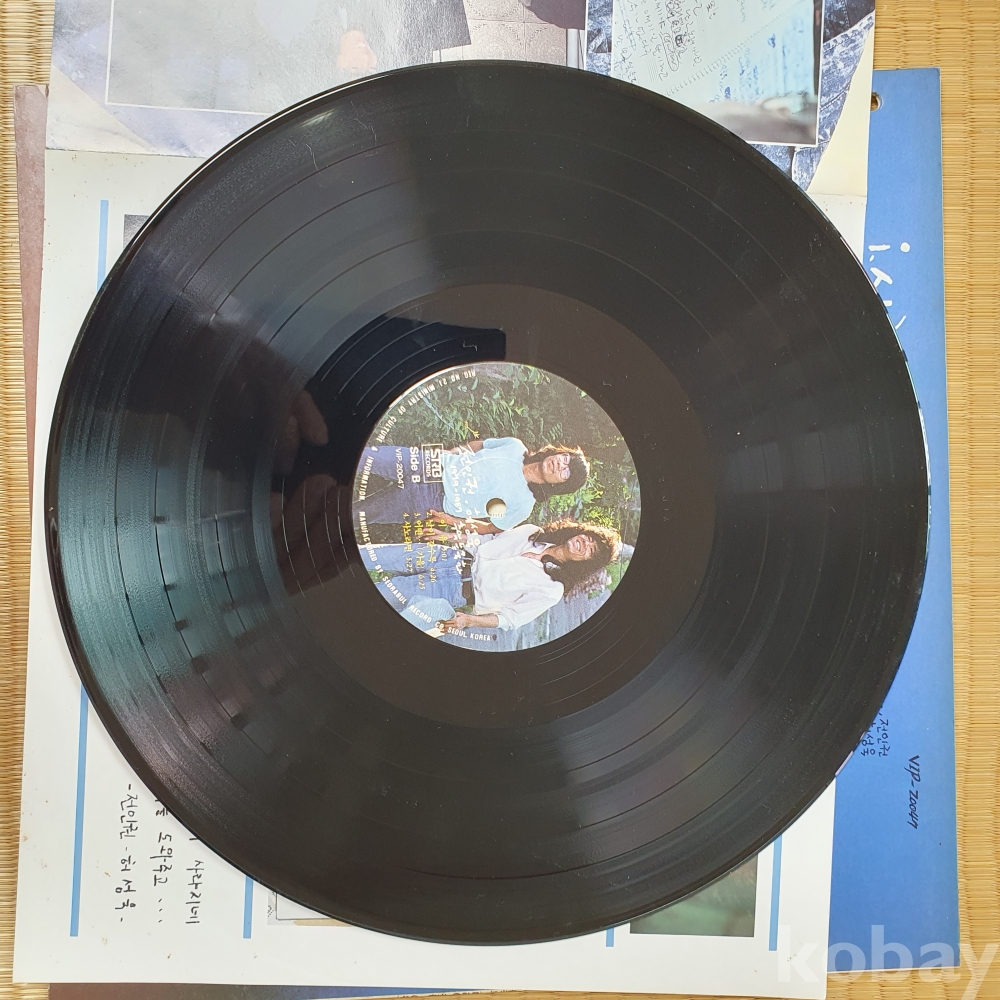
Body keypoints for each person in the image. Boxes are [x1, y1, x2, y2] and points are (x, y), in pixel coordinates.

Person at [365, 519, 621, 634]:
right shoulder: (534, 532)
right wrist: (449, 536)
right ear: (579, 532)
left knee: (377, 596)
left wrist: (469, 621)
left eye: (591, 550)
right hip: (448, 557)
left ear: (586, 563)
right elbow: (487, 540)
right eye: (588, 538)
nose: (584, 544)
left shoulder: (552, 589)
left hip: (451, 590)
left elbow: (510, 619)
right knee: (371, 553)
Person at [356, 439, 590, 532]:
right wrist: (453, 452)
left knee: (360, 514)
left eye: (566, 472)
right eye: (565, 458)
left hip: (431, 501)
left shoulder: (524, 505)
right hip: (431, 463)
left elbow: (490, 527)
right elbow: (481, 445)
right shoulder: (515, 446)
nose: (560, 464)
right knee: (365, 456)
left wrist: (450, 520)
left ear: (561, 485)